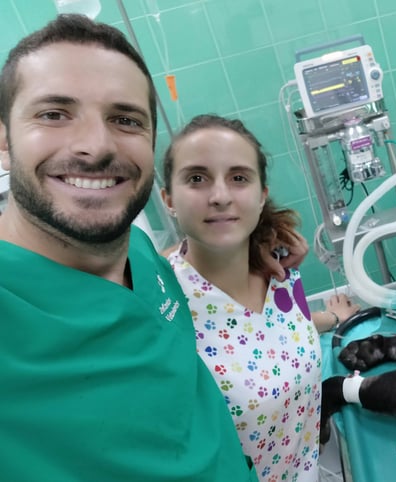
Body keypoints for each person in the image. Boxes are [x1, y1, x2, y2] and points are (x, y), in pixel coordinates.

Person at [0, 14, 256, 481]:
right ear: (3, 139)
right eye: (54, 113)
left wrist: (255, 252)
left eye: (125, 120)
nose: (96, 146)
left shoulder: (139, 252)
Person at [160, 114, 359, 482]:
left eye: (239, 178)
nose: (220, 197)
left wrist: (333, 319)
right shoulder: (165, 304)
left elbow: (265, 335)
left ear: (262, 194)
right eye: (197, 178)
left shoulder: (277, 268)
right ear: (168, 198)